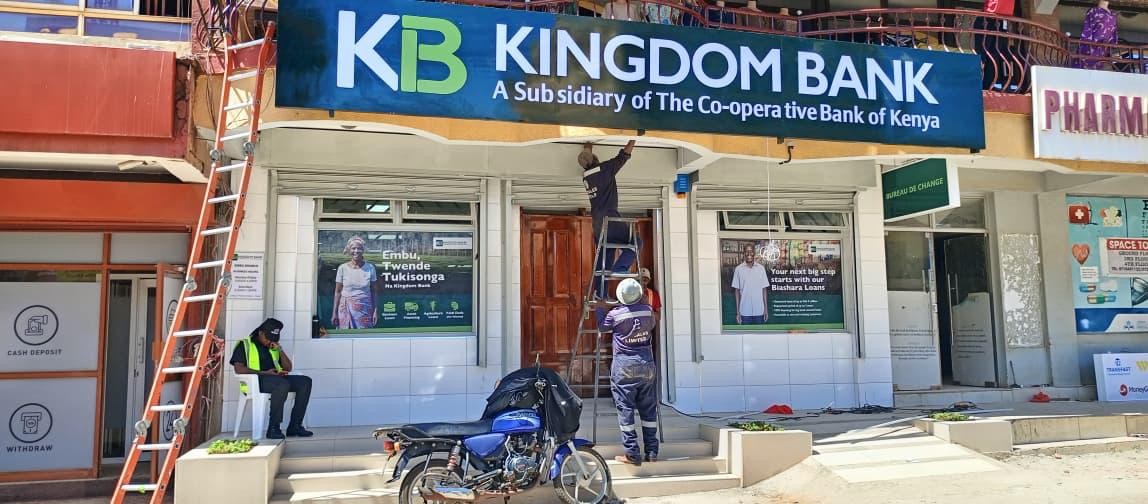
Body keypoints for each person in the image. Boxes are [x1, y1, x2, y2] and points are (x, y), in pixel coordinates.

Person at [601, 278, 659, 465]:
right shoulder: (648, 311)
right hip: (646, 364)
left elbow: (602, 327)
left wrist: (600, 308)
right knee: (649, 410)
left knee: (625, 410)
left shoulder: (616, 314)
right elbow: (651, 324)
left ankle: (632, 453)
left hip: (624, 366)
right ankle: (651, 451)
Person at [230, 318, 313, 439]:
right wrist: (264, 372)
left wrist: (280, 350)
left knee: (305, 382)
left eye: (273, 339)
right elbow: (238, 369)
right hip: (257, 381)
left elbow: (288, 368)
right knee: (282, 384)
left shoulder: (273, 347)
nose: (270, 341)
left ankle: (295, 426)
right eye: (268, 338)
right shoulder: (244, 345)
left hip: (276, 379)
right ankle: (274, 428)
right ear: (261, 333)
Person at [580, 140, 638, 296]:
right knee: (637, 242)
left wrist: (587, 148)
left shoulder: (586, 176)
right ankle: (620, 268)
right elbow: (623, 156)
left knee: (605, 257)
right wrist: (633, 138)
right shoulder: (604, 170)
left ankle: (601, 293)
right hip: (610, 220)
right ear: (596, 161)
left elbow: (588, 161)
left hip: (599, 224)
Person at [331, 235, 378, 330]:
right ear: (349, 250)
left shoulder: (370, 268)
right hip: (345, 310)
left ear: (363, 250)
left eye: (359, 248)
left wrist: (376, 311)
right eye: (353, 248)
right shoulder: (342, 268)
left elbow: (374, 291)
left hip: (364, 310)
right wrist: (334, 313)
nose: (356, 251)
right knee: (345, 339)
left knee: (364, 337)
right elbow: (338, 292)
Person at [732, 244, 770, 325]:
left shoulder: (761, 269)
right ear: (744, 253)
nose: (749, 254)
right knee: (746, 337)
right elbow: (737, 291)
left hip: (759, 311)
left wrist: (766, 309)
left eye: (751, 251)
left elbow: (764, 289)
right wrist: (738, 312)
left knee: (759, 337)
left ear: (754, 253)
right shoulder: (738, 269)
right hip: (744, 311)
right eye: (747, 251)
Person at [1077, 0, 1118, 70]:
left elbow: (1114, 32)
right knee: (1085, 69)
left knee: (1098, 70)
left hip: (1104, 49)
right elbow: (1087, 28)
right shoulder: (1093, 11)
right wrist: (1087, 44)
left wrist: (1113, 46)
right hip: (1091, 46)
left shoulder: (1113, 15)